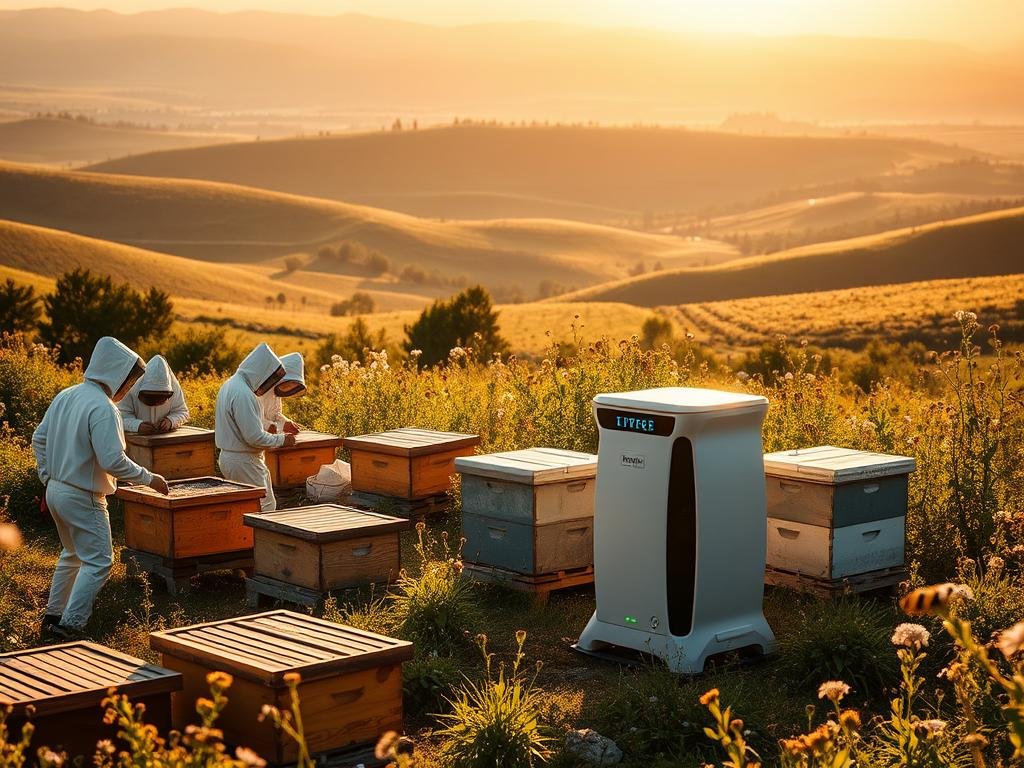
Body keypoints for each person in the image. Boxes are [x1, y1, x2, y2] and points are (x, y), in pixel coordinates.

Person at [31, 336, 170, 639]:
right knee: (100, 562)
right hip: (84, 495)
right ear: (115, 373)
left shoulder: (66, 396)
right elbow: (113, 461)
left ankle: (52, 617)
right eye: (129, 379)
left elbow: (38, 439)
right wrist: (149, 478)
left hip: (55, 490)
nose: (129, 387)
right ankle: (70, 625)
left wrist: (47, 476)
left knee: (72, 555)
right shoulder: (104, 407)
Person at [215, 343, 295, 513]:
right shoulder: (243, 394)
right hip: (244, 462)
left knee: (243, 509)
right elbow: (254, 437)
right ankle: (261, 541)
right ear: (260, 371)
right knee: (264, 508)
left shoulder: (231, 384)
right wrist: (282, 439)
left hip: (232, 459)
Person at [118, 354, 190, 434]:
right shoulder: (131, 388)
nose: (155, 402)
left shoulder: (174, 388)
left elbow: (182, 412)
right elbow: (120, 417)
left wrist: (170, 421)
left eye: (160, 398)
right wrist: (137, 426)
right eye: (151, 397)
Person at [260, 352, 306, 434]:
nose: (289, 388)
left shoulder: (275, 389)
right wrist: (275, 427)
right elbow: (248, 418)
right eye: (289, 384)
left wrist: (286, 422)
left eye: (293, 385)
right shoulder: (259, 386)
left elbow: (274, 414)